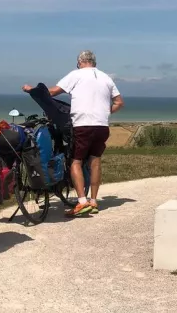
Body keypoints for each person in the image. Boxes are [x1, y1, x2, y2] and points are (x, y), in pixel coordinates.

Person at [23, 50, 124, 216]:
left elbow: (53, 92)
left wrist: (31, 89)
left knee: (75, 162)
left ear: (80, 62)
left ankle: (82, 202)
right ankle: (94, 201)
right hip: (102, 125)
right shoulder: (106, 77)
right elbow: (119, 102)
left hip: (83, 125)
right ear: (94, 63)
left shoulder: (76, 75)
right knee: (95, 161)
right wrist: (104, 113)